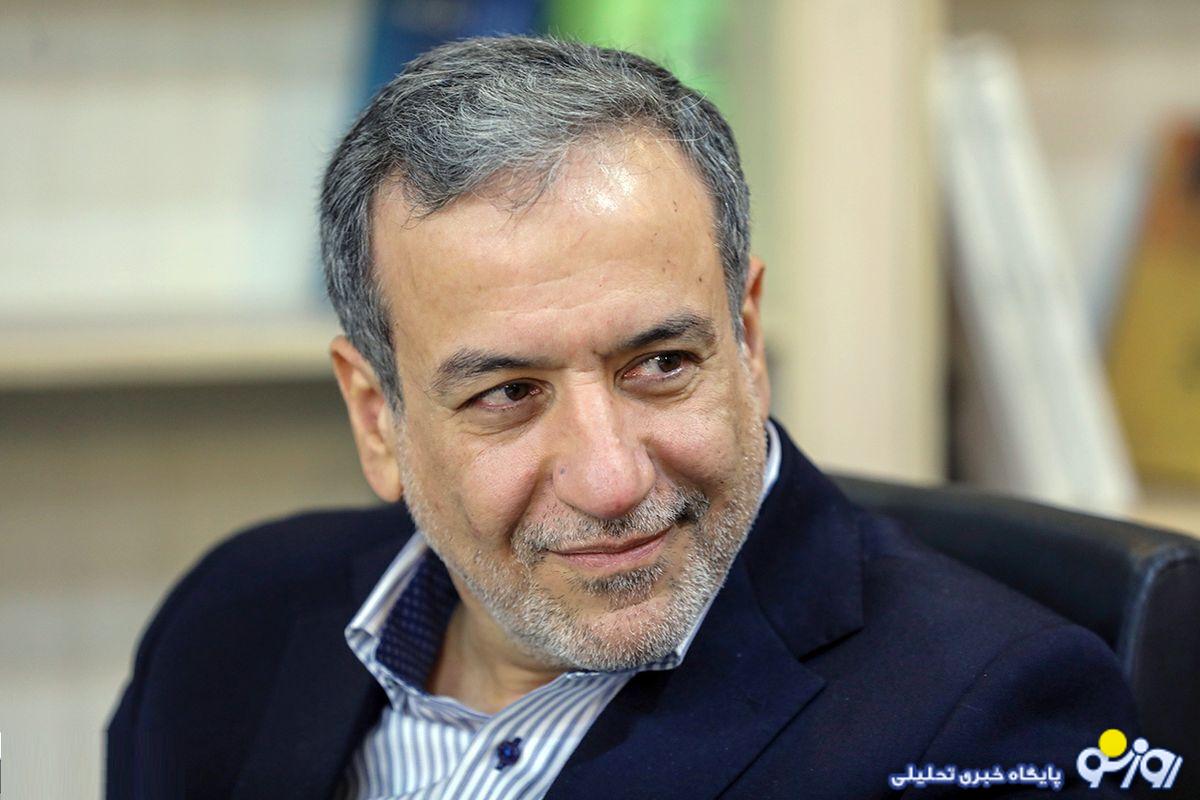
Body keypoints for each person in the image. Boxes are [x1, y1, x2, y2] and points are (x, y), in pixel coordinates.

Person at [107, 36, 1139, 799]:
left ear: (745, 339)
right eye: (508, 394)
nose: (611, 481)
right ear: (378, 417)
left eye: (660, 365)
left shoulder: (996, 714)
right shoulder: (229, 622)